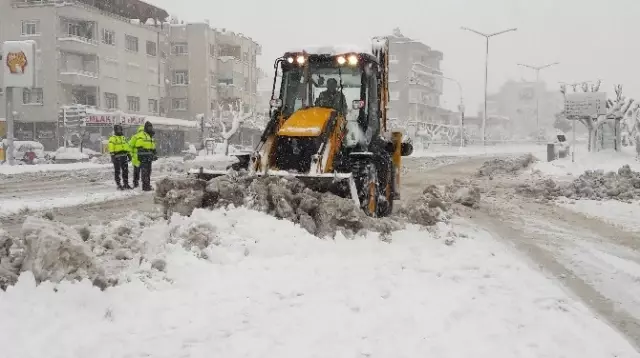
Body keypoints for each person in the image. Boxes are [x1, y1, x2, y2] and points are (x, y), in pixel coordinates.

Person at [129, 121, 157, 191]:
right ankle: (141, 185)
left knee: (146, 172)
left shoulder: (149, 136)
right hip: (139, 157)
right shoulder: (137, 136)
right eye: (149, 127)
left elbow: (152, 146)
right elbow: (130, 146)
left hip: (145, 157)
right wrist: (131, 155)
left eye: (151, 127)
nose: (150, 129)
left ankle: (145, 185)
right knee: (140, 172)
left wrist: (153, 153)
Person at [108, 124, 132, 190]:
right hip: (117, 157)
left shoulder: (123, 138)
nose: (119, 130)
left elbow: (126, 146)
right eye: (118, 129)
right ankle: (118, 185)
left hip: (124, 156)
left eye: (120, 129)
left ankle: (126, 184)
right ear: (115, 130)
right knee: (117, 171)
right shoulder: (113, 138)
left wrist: (129, 155)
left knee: (125, 171)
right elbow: (111, 147)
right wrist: (112, 156)